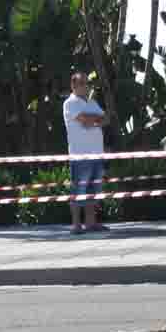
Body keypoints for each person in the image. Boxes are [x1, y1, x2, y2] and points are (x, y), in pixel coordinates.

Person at [63, 71, 109, 235]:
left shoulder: (91, 102)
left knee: (94, 190)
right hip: (80, 154)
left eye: (87, 83)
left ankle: (91, 223)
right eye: (82, 83)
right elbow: (85, 121)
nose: (86, 86)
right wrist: (95, 119)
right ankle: (76, 225)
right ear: (73, 85)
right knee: (78, 190)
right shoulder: (70, 103)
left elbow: (106, 119)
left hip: (96, 153)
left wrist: (93, 119)